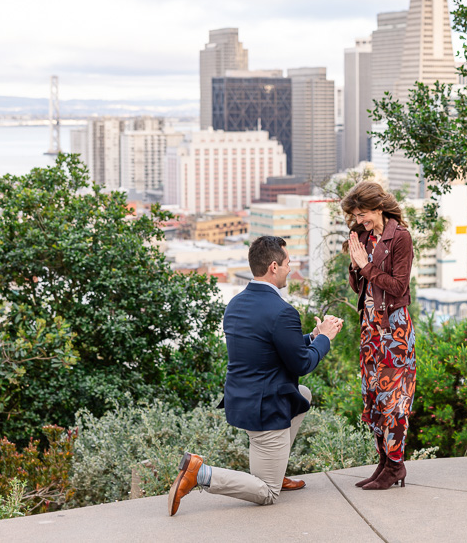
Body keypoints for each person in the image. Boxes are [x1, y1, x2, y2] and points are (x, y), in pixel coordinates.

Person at [168, 235, 343, 516]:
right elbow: (301, 364)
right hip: (266, 407)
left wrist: (311, 335)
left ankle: (276, 468)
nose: (289, 268)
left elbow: (268, 345)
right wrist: (325, 339)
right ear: (274, 267)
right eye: (287, 263)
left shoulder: (235, 304)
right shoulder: (282, 311)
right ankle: (201, 474)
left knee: (303, 395)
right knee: (268, 493)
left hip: (241, 398)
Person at [342, 180, 415, 490]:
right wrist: (355, 267)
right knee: (373, 398)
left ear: (378, 207)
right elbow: (363, 288)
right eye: (356, 216)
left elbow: (398, 287)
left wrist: (366, 265)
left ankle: (396, 465)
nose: (360, 220)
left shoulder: (400, 238)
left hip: (393, 328)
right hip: (370, 327)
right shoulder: (362, 236)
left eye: (363, 214)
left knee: (394, 399)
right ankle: (384, 462)